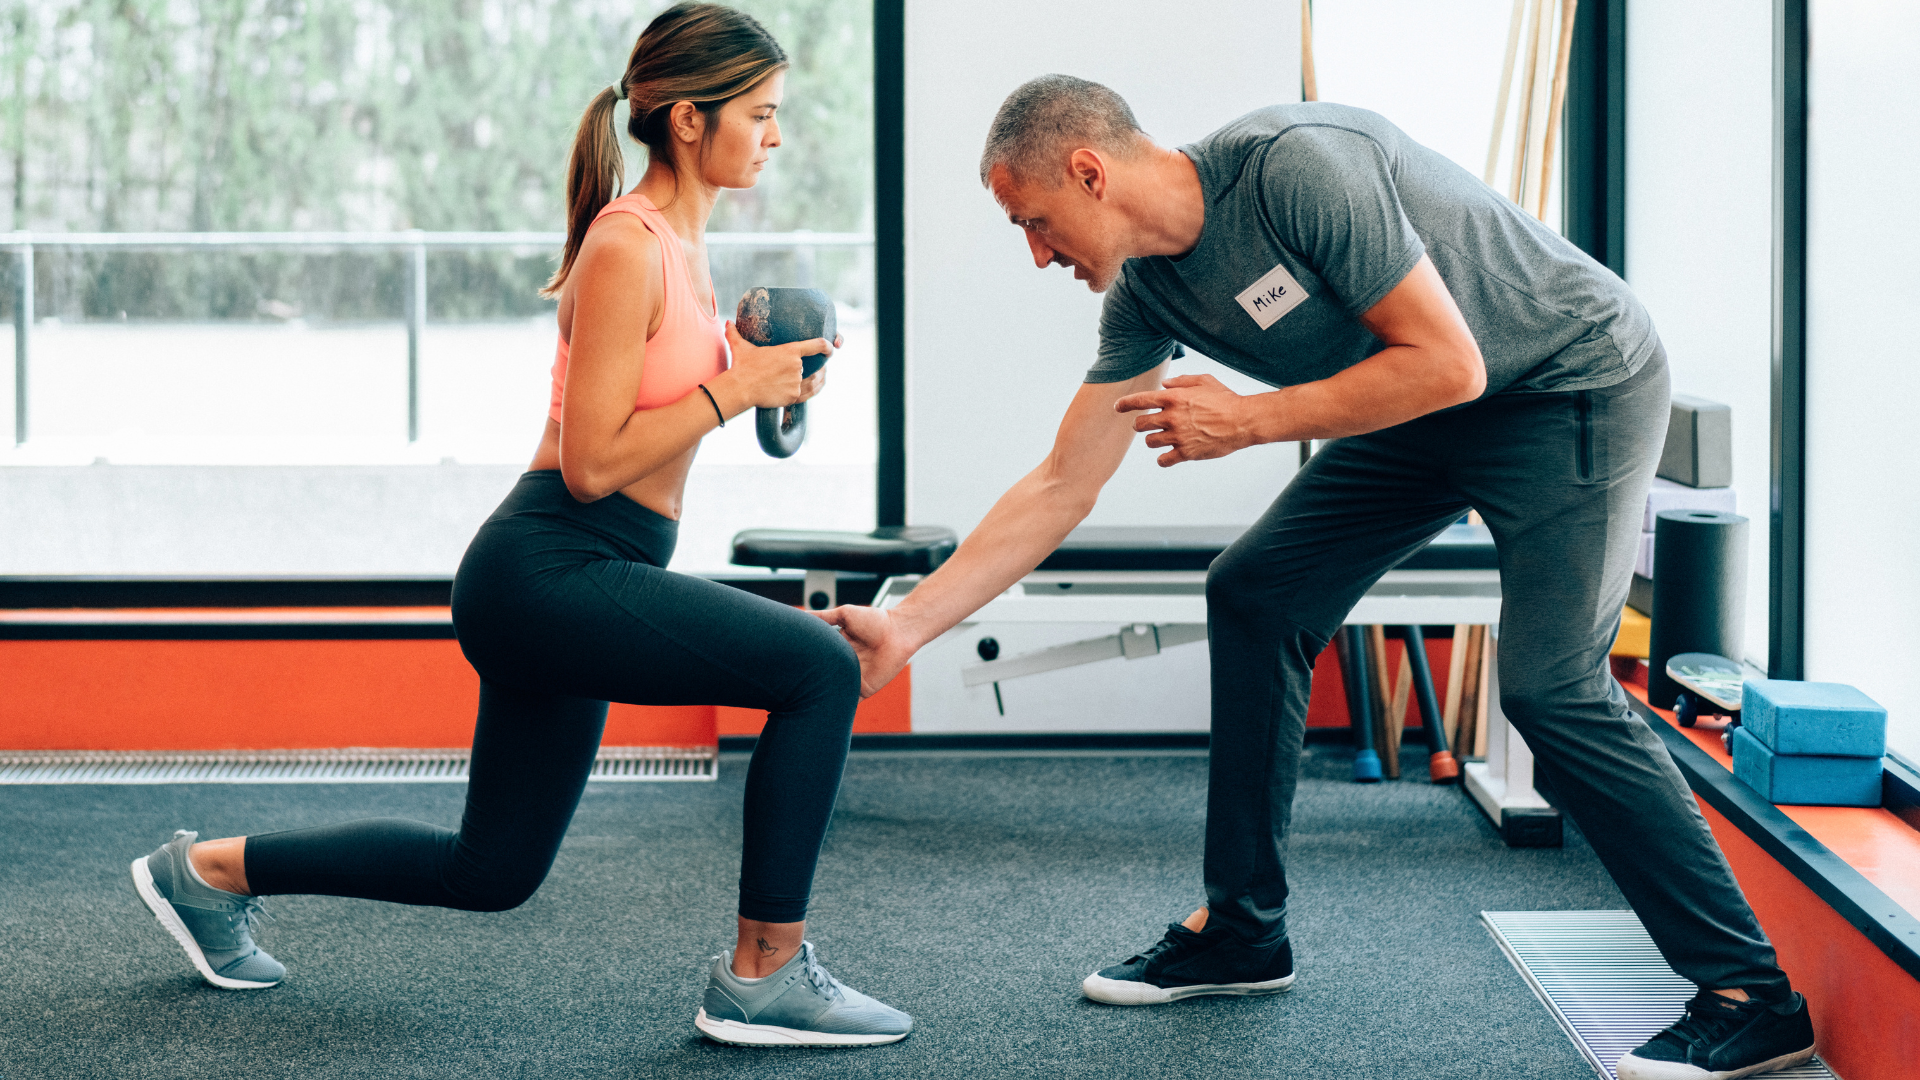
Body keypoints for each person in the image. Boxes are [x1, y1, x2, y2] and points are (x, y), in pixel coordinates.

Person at [824, 75, 1813, 1079]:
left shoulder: (1297, 169)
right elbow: (1060, 483)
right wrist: (906, 626)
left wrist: (1251, 419)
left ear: (1090, 172)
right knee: (1255, 591)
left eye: (1035, 221)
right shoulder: (1147, 293)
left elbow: (1451, 363)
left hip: (1567, 385)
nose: (1037, 253)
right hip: (1425, 407)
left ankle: (1750, 994)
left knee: (1549, 685)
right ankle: (1245, 930)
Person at [127, 3, 911, 1049]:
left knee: (489, 872)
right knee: (815, 670)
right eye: (760, 114)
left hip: (592, 569)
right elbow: (590, 465)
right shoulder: (625, 244)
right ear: (688, 120)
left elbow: (654, 416)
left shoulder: (684, 244)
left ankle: (208, 871)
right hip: (549, 563)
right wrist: (736, 390)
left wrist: (748, 363)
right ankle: (763, 975)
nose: (775, 136)